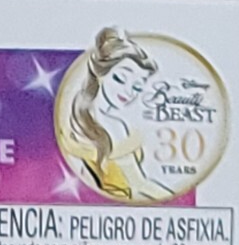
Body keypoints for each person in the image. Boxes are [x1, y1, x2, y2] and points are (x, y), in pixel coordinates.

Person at [64, 26, 174, 202]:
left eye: (137, 87)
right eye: (120, 79)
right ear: (100, 75)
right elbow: (139, 185)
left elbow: (137, 185)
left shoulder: (89, 120)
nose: (128, 92)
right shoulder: (110, 125)